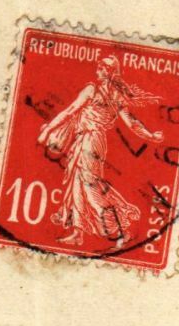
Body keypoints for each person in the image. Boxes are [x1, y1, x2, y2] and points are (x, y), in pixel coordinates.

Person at [37, 54, 164, 250]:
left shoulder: (93, 90)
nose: (98, 71)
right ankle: (78, 233)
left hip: (90, 140)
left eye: (101, 68)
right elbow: (132, 123)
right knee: (78, 184)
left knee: (89, 186)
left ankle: (120, 229)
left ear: (107, 72)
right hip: (90, 140)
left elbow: (70, 110)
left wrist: (48, 130)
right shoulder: (116, 96)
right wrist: (151, 136)